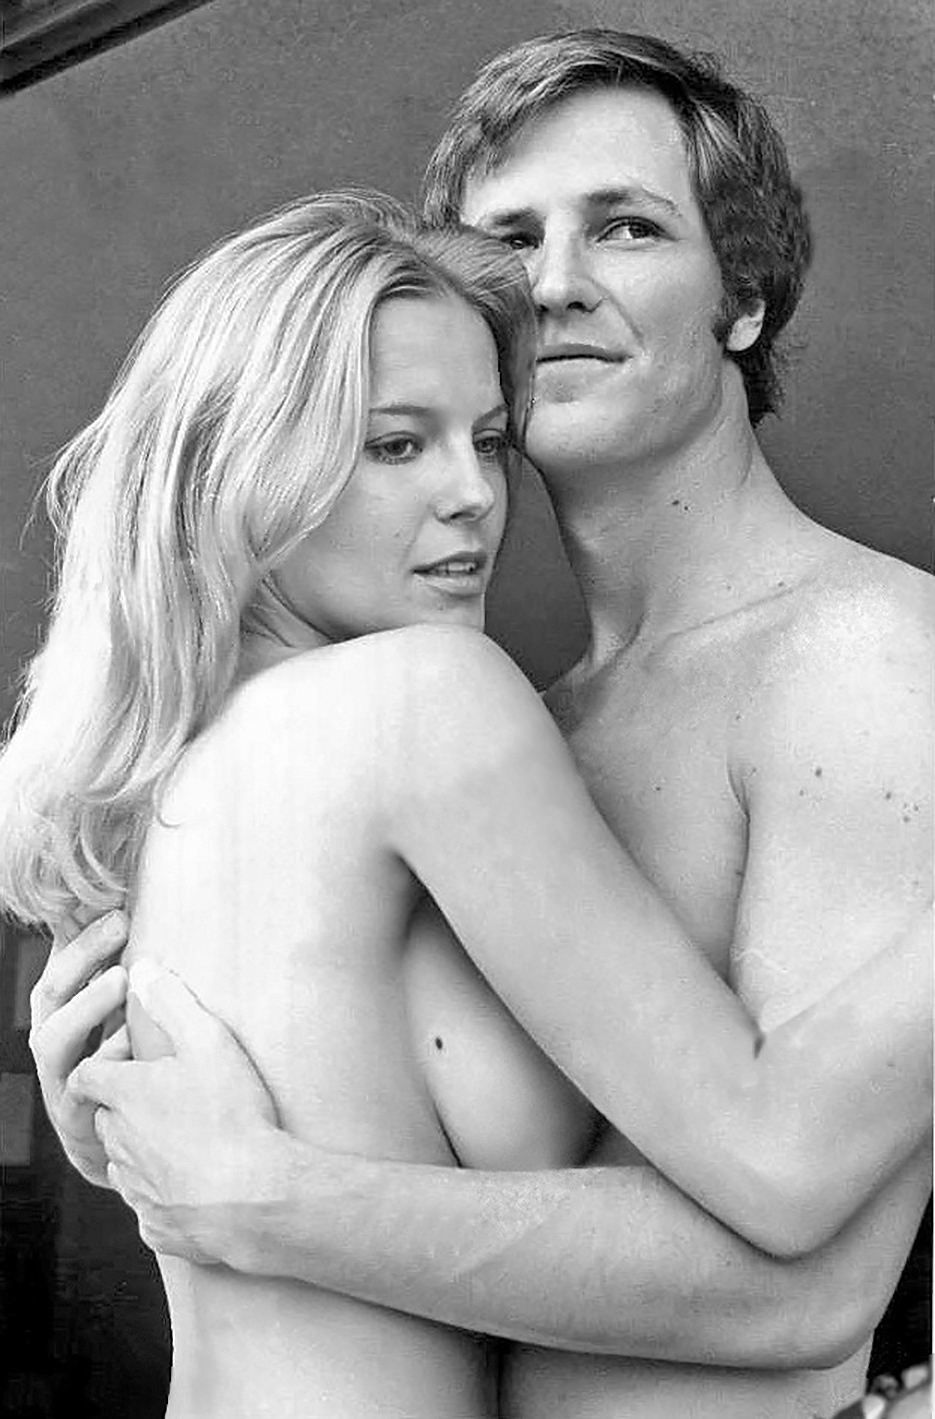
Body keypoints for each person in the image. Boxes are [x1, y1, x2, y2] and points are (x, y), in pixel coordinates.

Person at [24, 28, 932, 1419]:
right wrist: (137, 1135)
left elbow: (799, 1297)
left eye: (625, 226)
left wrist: (262, 1198)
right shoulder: (488, 717)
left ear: (744, 300)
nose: (553, 282)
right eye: (511, 239)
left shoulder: (860, 660)